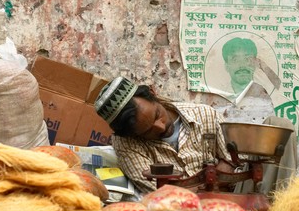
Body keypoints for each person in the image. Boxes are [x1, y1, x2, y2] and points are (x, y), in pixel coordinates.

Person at [94, 77, 234, 194]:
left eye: (157, 115)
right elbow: (161, 192)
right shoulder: (126, 144)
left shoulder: (205, 115)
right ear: (132, 136)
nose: (161, 127)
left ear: (153, 93)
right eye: (147, 131)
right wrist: (212, 183)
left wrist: (228, 166)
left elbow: (234, 159)